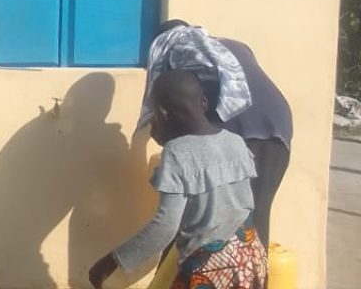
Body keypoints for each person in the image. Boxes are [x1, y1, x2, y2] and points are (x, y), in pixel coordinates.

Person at [90, 70, 267, 289]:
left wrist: (111, 262)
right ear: (204, 102)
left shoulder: (176, 152)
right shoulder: (235, 141)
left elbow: (165, 226)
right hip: (251, 258)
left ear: (162, 114)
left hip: (211, 269)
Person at [139, 19, 292, 248]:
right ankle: (256, 269)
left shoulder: (176, 52)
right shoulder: (227, 46)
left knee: (200, 219)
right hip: (279, 121)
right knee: (256, 213)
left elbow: (182, 112)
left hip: (238, 123)